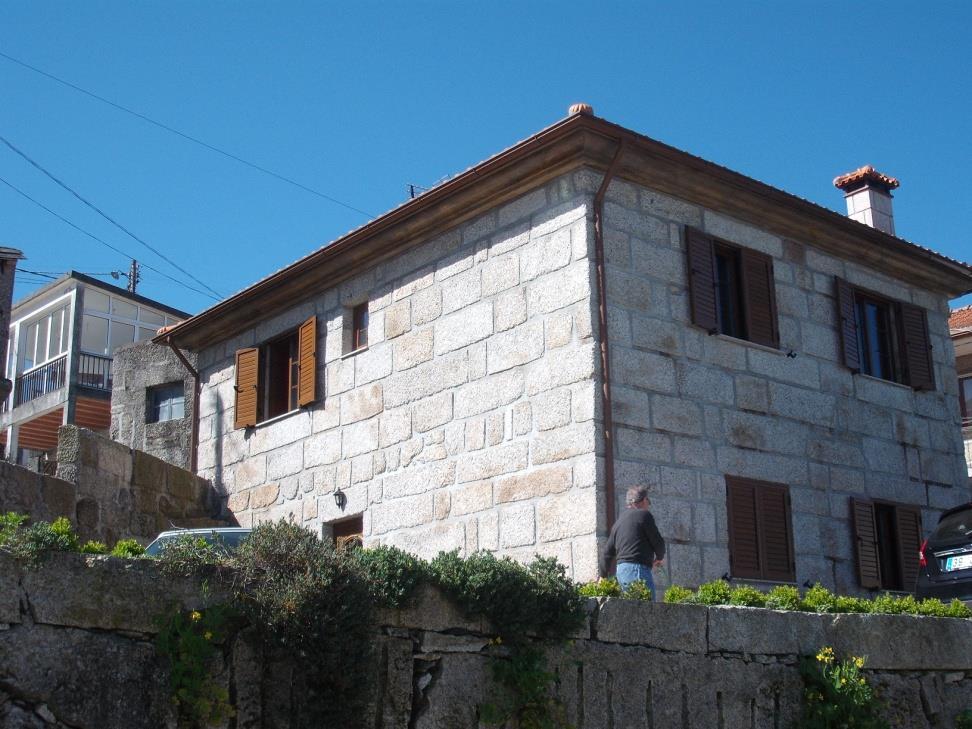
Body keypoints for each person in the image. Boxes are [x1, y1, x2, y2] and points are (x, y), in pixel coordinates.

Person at [599, 486, 666, 599]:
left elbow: (607, 553)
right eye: (648, 501)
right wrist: (659, 557)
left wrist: (603, 576)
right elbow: (658, 542)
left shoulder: (618, 523)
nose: (648, 505)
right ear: (644, 500)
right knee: (647, 610)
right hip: (637, 570)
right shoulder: (644, 515)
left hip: (621, 572)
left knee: (631, 610)